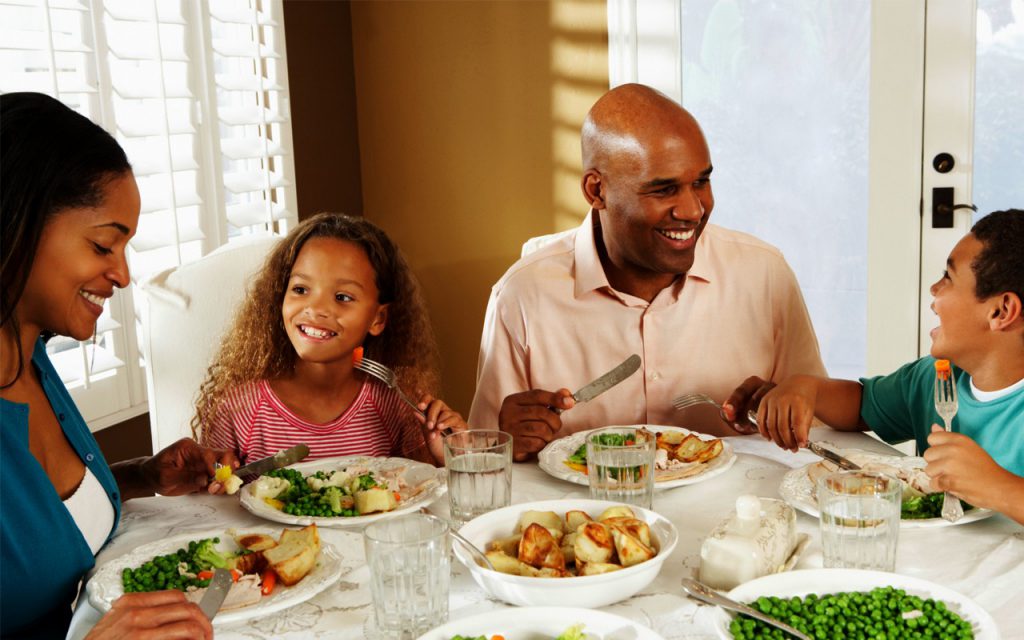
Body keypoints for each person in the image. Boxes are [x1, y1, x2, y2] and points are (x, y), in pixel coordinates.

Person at [468, 83, 826, 461]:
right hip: (588, 518)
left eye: (700, 182)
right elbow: (483, 463)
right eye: (664, 190)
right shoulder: (522, 296)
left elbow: (820, 432)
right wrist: (502, 445)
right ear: (596, 190)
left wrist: (783, 416)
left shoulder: (764, 275)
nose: (692, 210)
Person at [1, 93, 237, 639]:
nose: (124, 275)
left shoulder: (30, 357)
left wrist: (138, 477)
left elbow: (45, 519)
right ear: (17, 221)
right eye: (104, 244)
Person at [736, 209, 1024, 525]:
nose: (934, 289)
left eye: (948, 278)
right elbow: (861, 405)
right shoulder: (934, 377)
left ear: (1001, 311)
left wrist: (997, 487)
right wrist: (807, 389)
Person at [193, 212, 467, 467]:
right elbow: (212, 506)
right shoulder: (238, 408)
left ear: (378, 319)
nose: (315, 309)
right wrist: (216, 480)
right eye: (300, 289)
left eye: (342, 297)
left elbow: (423, 497)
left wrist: (451, 458)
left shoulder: (396, 404)